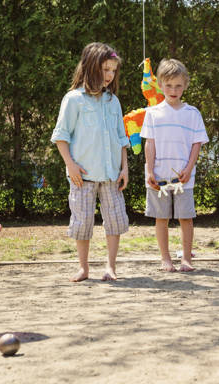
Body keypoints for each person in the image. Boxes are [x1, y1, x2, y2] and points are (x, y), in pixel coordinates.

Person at [51, 42, 129, 282]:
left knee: (114, 221)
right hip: (81, 175)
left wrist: (124, 167)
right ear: (91, 67)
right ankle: (83, 268)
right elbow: (61, 136)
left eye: (113, 70)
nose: (109, 75)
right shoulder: (73, 100)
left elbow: (121, 138)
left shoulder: (112, 101)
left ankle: (111, 267)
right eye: (105, 69)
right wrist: (70, 165)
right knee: (82, 222)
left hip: (111, 175)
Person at [140, 59, 209, 272]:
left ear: (185, 85)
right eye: (168, 85)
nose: (173, 90)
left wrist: (188, 169)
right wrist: (150, 170)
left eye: (178, 85)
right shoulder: (152, 113)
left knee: (185, 218)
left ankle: (186, 259)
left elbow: (196, 144)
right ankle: (165, 259)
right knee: (161, 219)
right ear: (160, 85)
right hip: (158, 178)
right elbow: (149, 144)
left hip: (183, 178)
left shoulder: (193, 113)